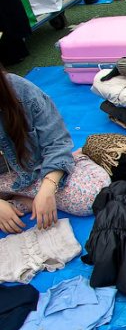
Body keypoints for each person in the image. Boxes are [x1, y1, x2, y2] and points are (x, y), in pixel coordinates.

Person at [0, 67, 109, 234]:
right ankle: (20, 202)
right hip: (5, 179)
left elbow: (56, 142)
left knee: (93, 196)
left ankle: (73, 161)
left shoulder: (19, 90)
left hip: (32, 168)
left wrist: (48, 188)